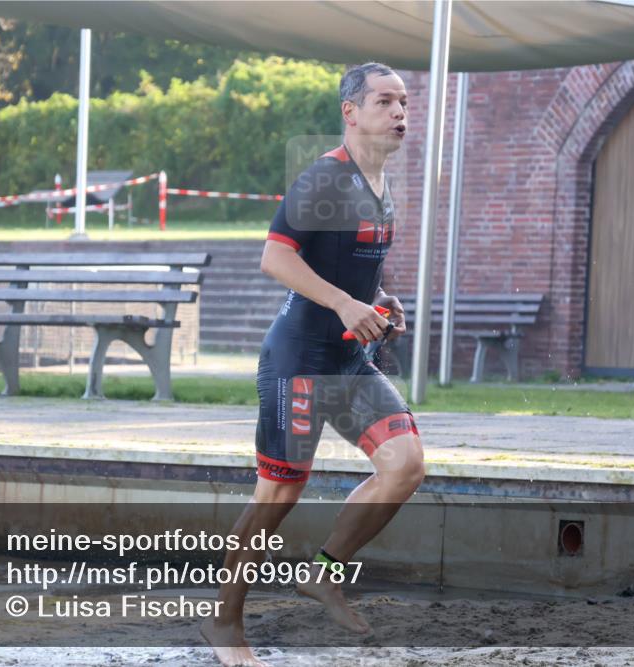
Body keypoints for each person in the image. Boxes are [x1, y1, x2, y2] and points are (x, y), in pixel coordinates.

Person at [201, 62, 424, 667]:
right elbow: (276, 258)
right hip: (299, 359)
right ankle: (224, 622)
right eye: (385, 102)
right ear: (351, 112)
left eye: (403, 102)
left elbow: (351, 273)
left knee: (404, 463)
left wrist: (377, 303)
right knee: (277, 496)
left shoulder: (381, 187)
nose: (400, 113)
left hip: (349, 359)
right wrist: (346, 302)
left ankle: (324, 572)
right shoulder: (326, 177)